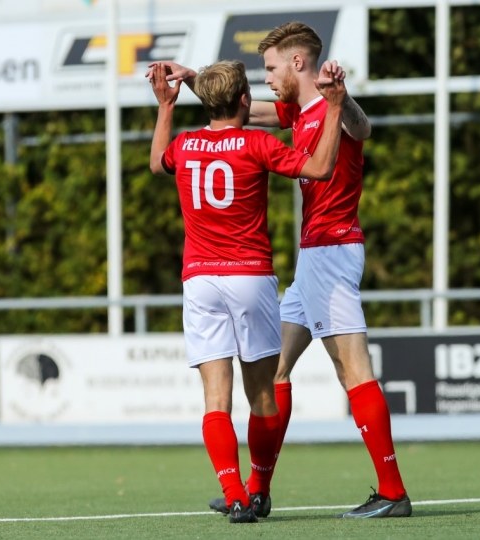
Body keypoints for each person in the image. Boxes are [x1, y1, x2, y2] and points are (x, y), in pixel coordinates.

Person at [153, 21, 411, 519]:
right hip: (312, 258)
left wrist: (343, 99)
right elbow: (236, 108)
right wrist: (192, 79)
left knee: (353, 369)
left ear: (298, 63)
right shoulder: (299, 111)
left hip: (333, 252)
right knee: (274, 370)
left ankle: (393, 490)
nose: (266, 78)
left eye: (271, 67)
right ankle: (258, 490)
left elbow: (362, 128)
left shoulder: (331, 108)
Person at [147, 58, 347, 523]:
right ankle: (257, 488)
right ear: (244, 100)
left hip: (200, 280)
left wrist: (165, 105)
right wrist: (334, 108)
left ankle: (234, 493)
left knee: (216, 399)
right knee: (263, 395)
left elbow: (157, 163)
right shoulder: (258, 142)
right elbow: (319, 168)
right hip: (250, 276)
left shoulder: (186, 144)